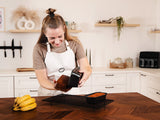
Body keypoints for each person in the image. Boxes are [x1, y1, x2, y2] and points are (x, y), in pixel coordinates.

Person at [33, 8, 92, 96]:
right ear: (45, 33)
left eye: (60, 36)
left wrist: (84, 77)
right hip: (48, 93)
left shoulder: (75, 44)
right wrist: (59, 86)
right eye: (52, 38)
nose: (57, 41)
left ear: (64, 29)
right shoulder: (39, 48)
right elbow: (42, 80)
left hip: (71, 93)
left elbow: (86, 67)